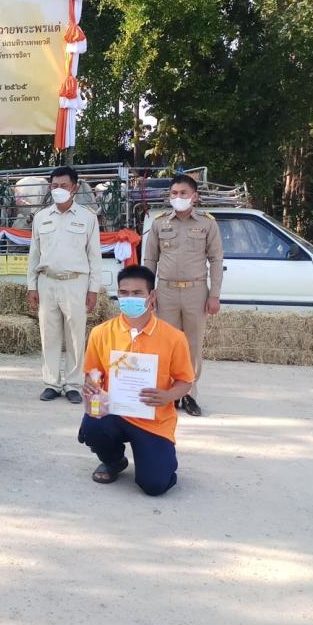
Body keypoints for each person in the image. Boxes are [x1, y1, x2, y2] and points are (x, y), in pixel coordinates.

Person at [79, 266, 194, 496]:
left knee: (155, 485)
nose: (129, 298)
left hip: (153, 419)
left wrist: (168, 396)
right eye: (124, 293)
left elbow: (185, 381)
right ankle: (114, 461)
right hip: (114, 411)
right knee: (92, 427)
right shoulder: (101, 333)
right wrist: (91, 384)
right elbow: (93, 372)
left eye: (137, 293)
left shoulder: (174, 338)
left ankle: (158, 460)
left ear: (152, 296)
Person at [142, 173, 223, 417]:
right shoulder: (159, 223)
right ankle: (169, 394)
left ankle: (189, 394)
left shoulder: (207, 223)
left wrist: (214, 295)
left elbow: (216, 260)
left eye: (183, 193)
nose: (178, 197)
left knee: (192, 345)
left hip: (196, 292)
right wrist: (148, 291)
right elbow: (150, 259)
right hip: (166, 291)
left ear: (194, 196)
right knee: (166, 343)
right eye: (174, 193)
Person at [26, 166, 102, 405]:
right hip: (47, 281)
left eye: (64, 186)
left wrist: (93, 289)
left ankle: (73, 384)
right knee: (48, 334)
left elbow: (94, 256)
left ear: (74, 188)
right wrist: (31, 286)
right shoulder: (41, 217)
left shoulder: (88, 218)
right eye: (54, 186)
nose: (58, 189)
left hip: (75, 282)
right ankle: (51, 383)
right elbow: (34, 254)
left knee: (75, 336)